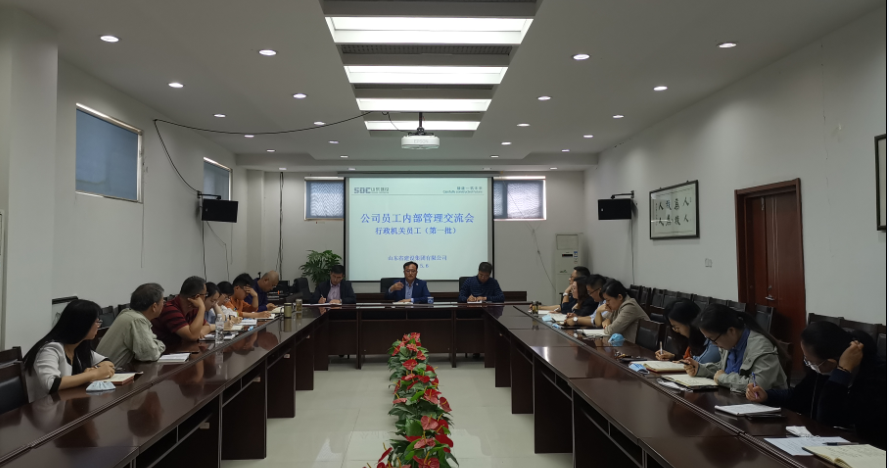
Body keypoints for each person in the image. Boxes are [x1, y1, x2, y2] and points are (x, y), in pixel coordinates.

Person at [745, 322, 886, 448]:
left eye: (810, 361)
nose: (808, 364)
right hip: (829, 444)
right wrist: (767, 396)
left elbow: (827, 418)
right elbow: (798, 397)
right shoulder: (823, 368)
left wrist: (842, 372)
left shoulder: (878, 376)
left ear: (830, 362)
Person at [23, 299, 115, 402]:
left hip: (66, 403)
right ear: (83, 324)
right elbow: (51, 385)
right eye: (97, 322)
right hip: (43, 407)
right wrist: (94, 374)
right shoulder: (49, 349)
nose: (99, 325)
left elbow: (106, 361)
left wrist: (96, 368)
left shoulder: (78, 346)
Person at [682, 304, 788, 391]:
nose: (713, 344)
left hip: (767, 406)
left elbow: (758, 385)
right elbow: (723, 369)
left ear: (731, 331)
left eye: (713, 339)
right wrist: (701, 369)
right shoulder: (730, 343)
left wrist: (723, 379)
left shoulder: (761, 346)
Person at [96, 283, 167, 367]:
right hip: (112, 373)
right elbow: (150, 355)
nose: (164, 305)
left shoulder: (129, 314)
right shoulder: (137, 320)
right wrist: (160, 346)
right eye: (163, 302)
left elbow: (151, 346)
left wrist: (155, 346)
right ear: (154, 306)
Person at [654, 298, 720, 364]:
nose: (675, 330)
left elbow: (700, 363)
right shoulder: (689, 340)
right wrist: (674, 357)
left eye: (676, 327)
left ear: (690, 322)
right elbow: (690, 359)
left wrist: (683, 362)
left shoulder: (711, 341)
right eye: (673, 327)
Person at [151, 276, 213, 344]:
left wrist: (198, 332)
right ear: (197, 297)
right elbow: (192, 336)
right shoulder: (169, 309)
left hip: (181, 347)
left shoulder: (193, 307)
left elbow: (207, 326)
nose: (205, 297)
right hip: (164, 349)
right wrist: (202, 308)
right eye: (205, 294)